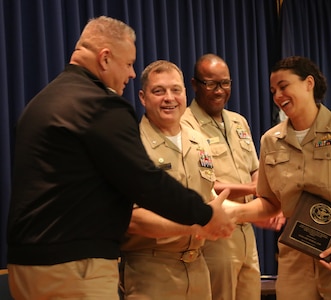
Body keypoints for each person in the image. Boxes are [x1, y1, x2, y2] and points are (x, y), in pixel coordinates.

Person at [6, 17, 234, 300]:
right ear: (104, 59)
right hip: (76, 268)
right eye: (128, 64)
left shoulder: (41, 103)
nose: (130, 73)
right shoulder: (99, 105)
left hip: (27, 265)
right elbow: (146, 183)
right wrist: (206, 215)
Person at [224, 56, 331, 299]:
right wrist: (233, 212)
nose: (278, 95)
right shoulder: (270, 141)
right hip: (297, 259)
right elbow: (271, 203)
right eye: (273, 90)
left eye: (284, 86)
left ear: (308, 83)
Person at [120, 60, 220, 299]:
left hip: (198, 269)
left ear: (186, 93)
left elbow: (210, 197)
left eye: (176, 90)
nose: (169, 98)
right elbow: (133, 219)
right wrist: (199, 224)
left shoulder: (200, 141)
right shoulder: (131, 145)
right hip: (151, 271)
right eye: (159, 91)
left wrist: (252, 211)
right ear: (143, 98)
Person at [181, 53, 266, 300]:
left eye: (225, 83)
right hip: (216, 234)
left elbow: (254, 167)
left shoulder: (239, 121)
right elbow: (205, 184)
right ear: (195, 84)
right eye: (211, 84)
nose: (219, 91)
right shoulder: (185, 125)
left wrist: (260, 190)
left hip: (247, 231)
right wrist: (254, 189)